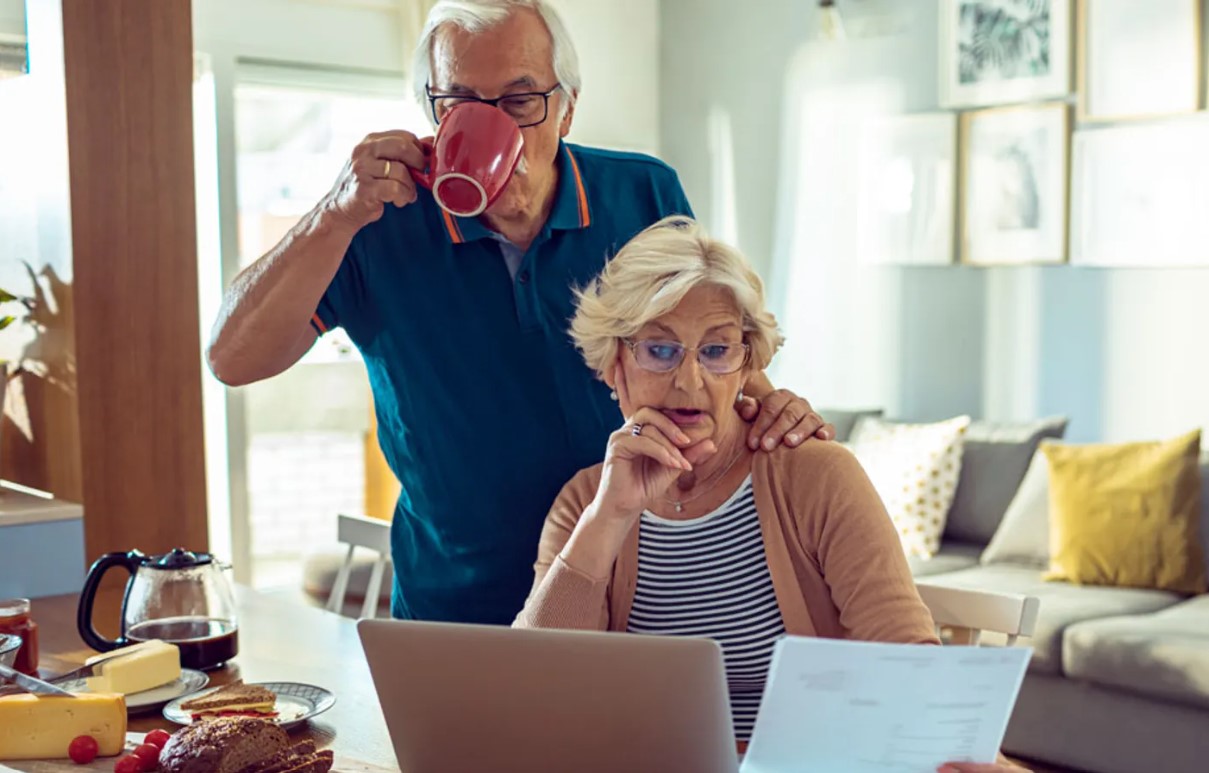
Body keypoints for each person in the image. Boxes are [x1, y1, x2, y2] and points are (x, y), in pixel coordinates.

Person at [205, 0, 832, 626]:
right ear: (432, 109)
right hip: (454, 609)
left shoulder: (641, 194)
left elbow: (702, 344)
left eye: (519, 100)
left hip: (633, 592)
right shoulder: (375, 219)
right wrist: (332, 215)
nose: (491, 125)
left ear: (567, 108)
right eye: (461, 102)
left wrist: (767, 405)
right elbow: (232, 359)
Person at [513, 217, 1026, 773]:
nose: (691, 381)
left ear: (747, 365)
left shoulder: (815, 476)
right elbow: (534, 691)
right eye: (660, 350)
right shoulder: (585, 502)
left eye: (716, 351)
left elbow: (904, 660)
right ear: (614, 366)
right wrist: (610, 516)